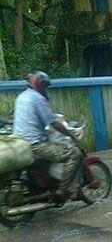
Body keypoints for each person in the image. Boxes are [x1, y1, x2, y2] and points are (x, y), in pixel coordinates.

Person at [13, 71, 81, 200]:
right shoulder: (38, 98)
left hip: (20, 142)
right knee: (74, 153)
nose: (45, 88)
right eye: (44, 85)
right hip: (35, 144)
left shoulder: (22, 96)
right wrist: (71, 135)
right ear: (39, 84)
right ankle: (63, 190)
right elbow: (53, 123)